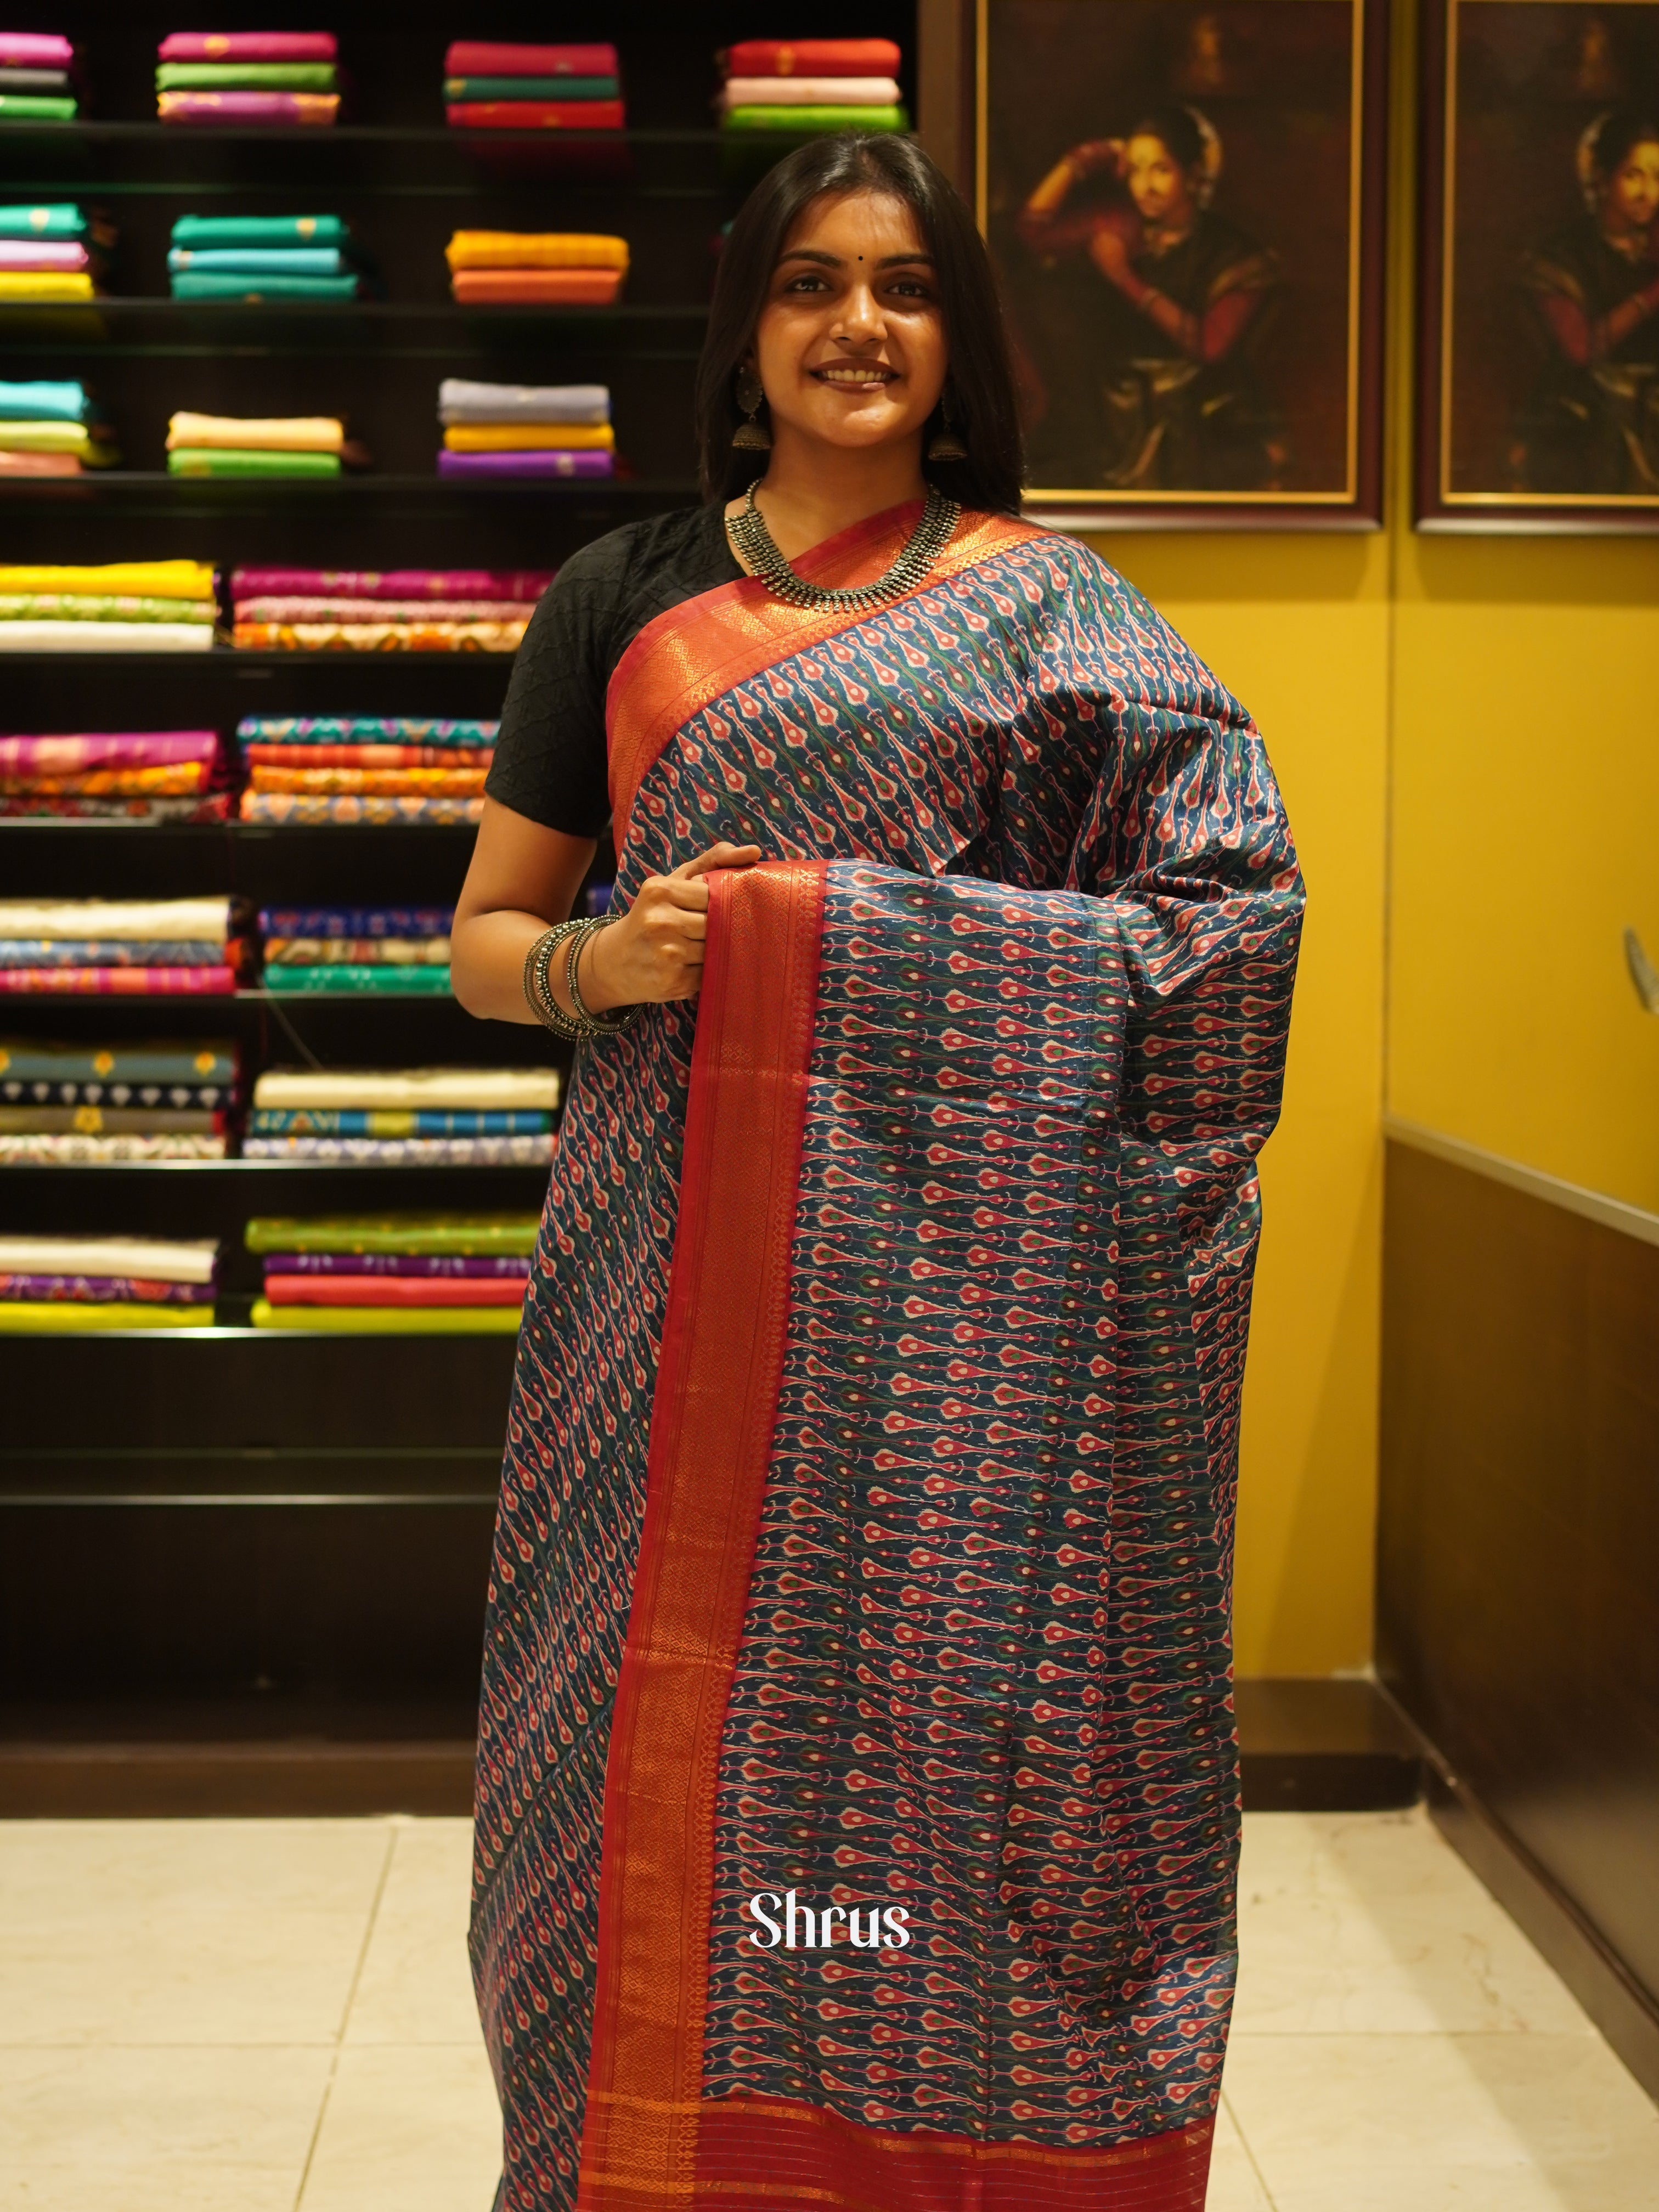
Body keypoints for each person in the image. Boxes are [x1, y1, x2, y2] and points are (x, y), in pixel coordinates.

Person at [451, 127, 1302, 2212]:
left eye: (903, 288)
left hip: (964, 1334)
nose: (857, 324)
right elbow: (480, 938)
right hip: (658, 1308)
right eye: (814, 282)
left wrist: (851, 934)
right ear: (748, 325)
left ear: (955, 339)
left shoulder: (1056, 613)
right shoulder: (621, 595)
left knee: (935, 1757)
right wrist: (610, 956)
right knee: (600, 1766)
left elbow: (1225, 924)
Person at [1017, 105, 1282, 489]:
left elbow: (1208, 345)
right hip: (1116, 413)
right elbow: (1032, 230)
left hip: (1200, 418)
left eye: (1161, 170)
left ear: (1193, 176)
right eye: (1136, 170)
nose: (1146, 186)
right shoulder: (1121, 226)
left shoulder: (1235, 254)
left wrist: (1125, 278)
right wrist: (1082, 161)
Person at [1515, 109, 1659, 493]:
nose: (1650, 193)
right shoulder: (1560, 257)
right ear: (1601, 180)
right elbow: (1582, 349)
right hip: (1586, 426)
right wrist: (1649, 299)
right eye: (1634, 176)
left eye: (1658, 178)